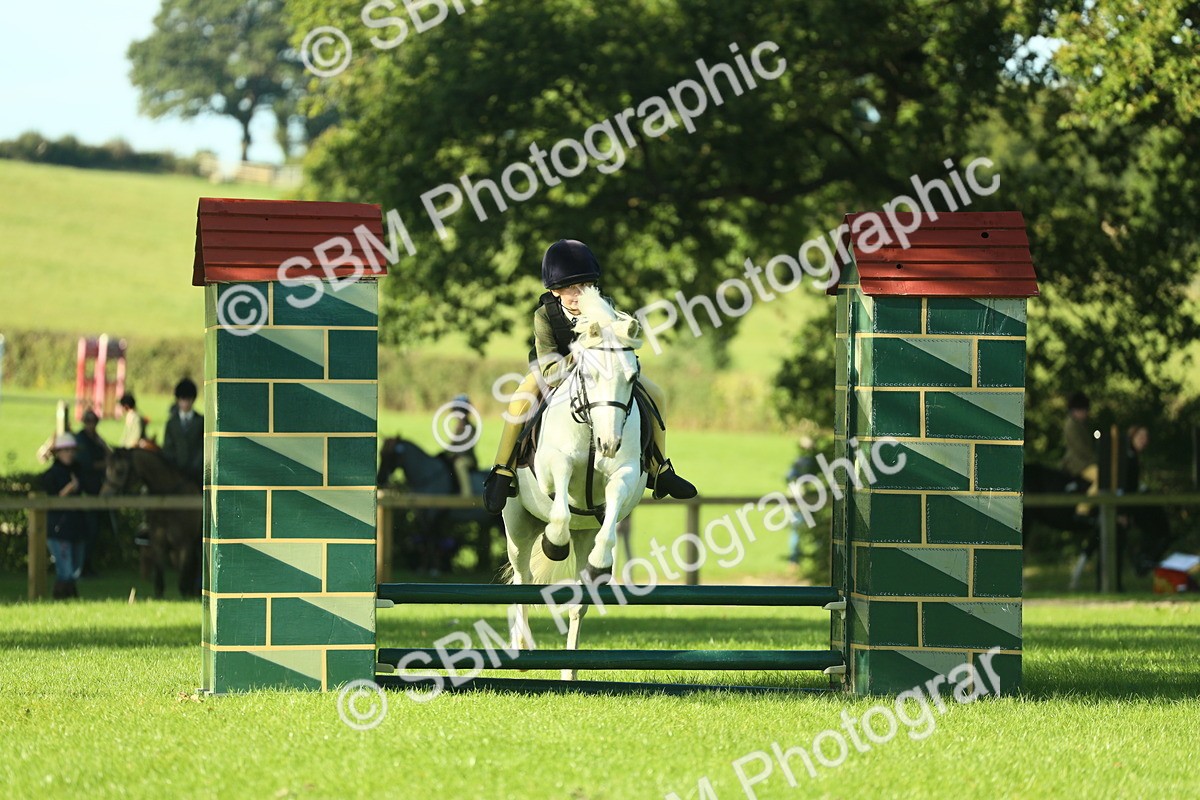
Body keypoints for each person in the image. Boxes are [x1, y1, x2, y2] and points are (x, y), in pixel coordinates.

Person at [482, 239, 696, 513]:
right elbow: (549, 372)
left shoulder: (605, 306)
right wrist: (580, 352)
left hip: (603, 373)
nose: (577, 294)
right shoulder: (544, 316)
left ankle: (659, 467)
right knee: (518, 402)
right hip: (552, 369)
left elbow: (620, 350)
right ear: (554, 290)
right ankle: (504, 470)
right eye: (569, 287)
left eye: (583, 286)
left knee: (657, 394)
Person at [1119, 425, 1174, 574]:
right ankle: (1143, 560)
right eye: (1140, 437)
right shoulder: (1127, 457)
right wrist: (1122, 511)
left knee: (1158, 530)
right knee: (1156, 530)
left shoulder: (1133, 457)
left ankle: (1146, 560)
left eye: (1146, 438)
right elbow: (1123, 485)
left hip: (1133, 503)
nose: (1144, 441)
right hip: (1128, 504)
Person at [39, 433, 88, 599]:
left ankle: (70, 600)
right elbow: (52, 499)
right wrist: (69, 489)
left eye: (72, 450)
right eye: (66, 450)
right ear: (58, 452)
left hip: (76, 527)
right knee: (65, 570)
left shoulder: (80, 471)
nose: (69, 453)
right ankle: (61, 599)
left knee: (75, 570)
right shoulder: (51, 475)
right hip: (59, 528)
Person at [73, 409, 111, 575]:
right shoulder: (80, 440)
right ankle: (83, 567)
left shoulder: (96, 440)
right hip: (86, 491)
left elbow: (109, 455)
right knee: (88, 530)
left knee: (93, 531)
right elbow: (87, 465)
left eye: (94, 422)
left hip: (97, 490)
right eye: (89, 422)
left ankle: (87, 565)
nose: (92, 425)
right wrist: (106, 464)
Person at [1060, 391, 1098, 516]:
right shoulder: (1071, 425)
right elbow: (1081, 448)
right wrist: (1095, 459)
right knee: (1102, 478)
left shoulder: (1080, 424)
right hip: (1078, 463)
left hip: (1084, 461)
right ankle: (1083, 508)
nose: (1086, 414)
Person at [161, 378, 204, 486]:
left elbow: (203, 447)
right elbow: (167, 447)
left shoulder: (201, 421)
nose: (185, 403)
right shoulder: (171, 423)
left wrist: (195, 465)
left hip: (198, 474)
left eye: (187, 399)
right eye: (182, 399)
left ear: (193, 400)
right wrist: (175, 466)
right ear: (177, 400)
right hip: (175, 474)